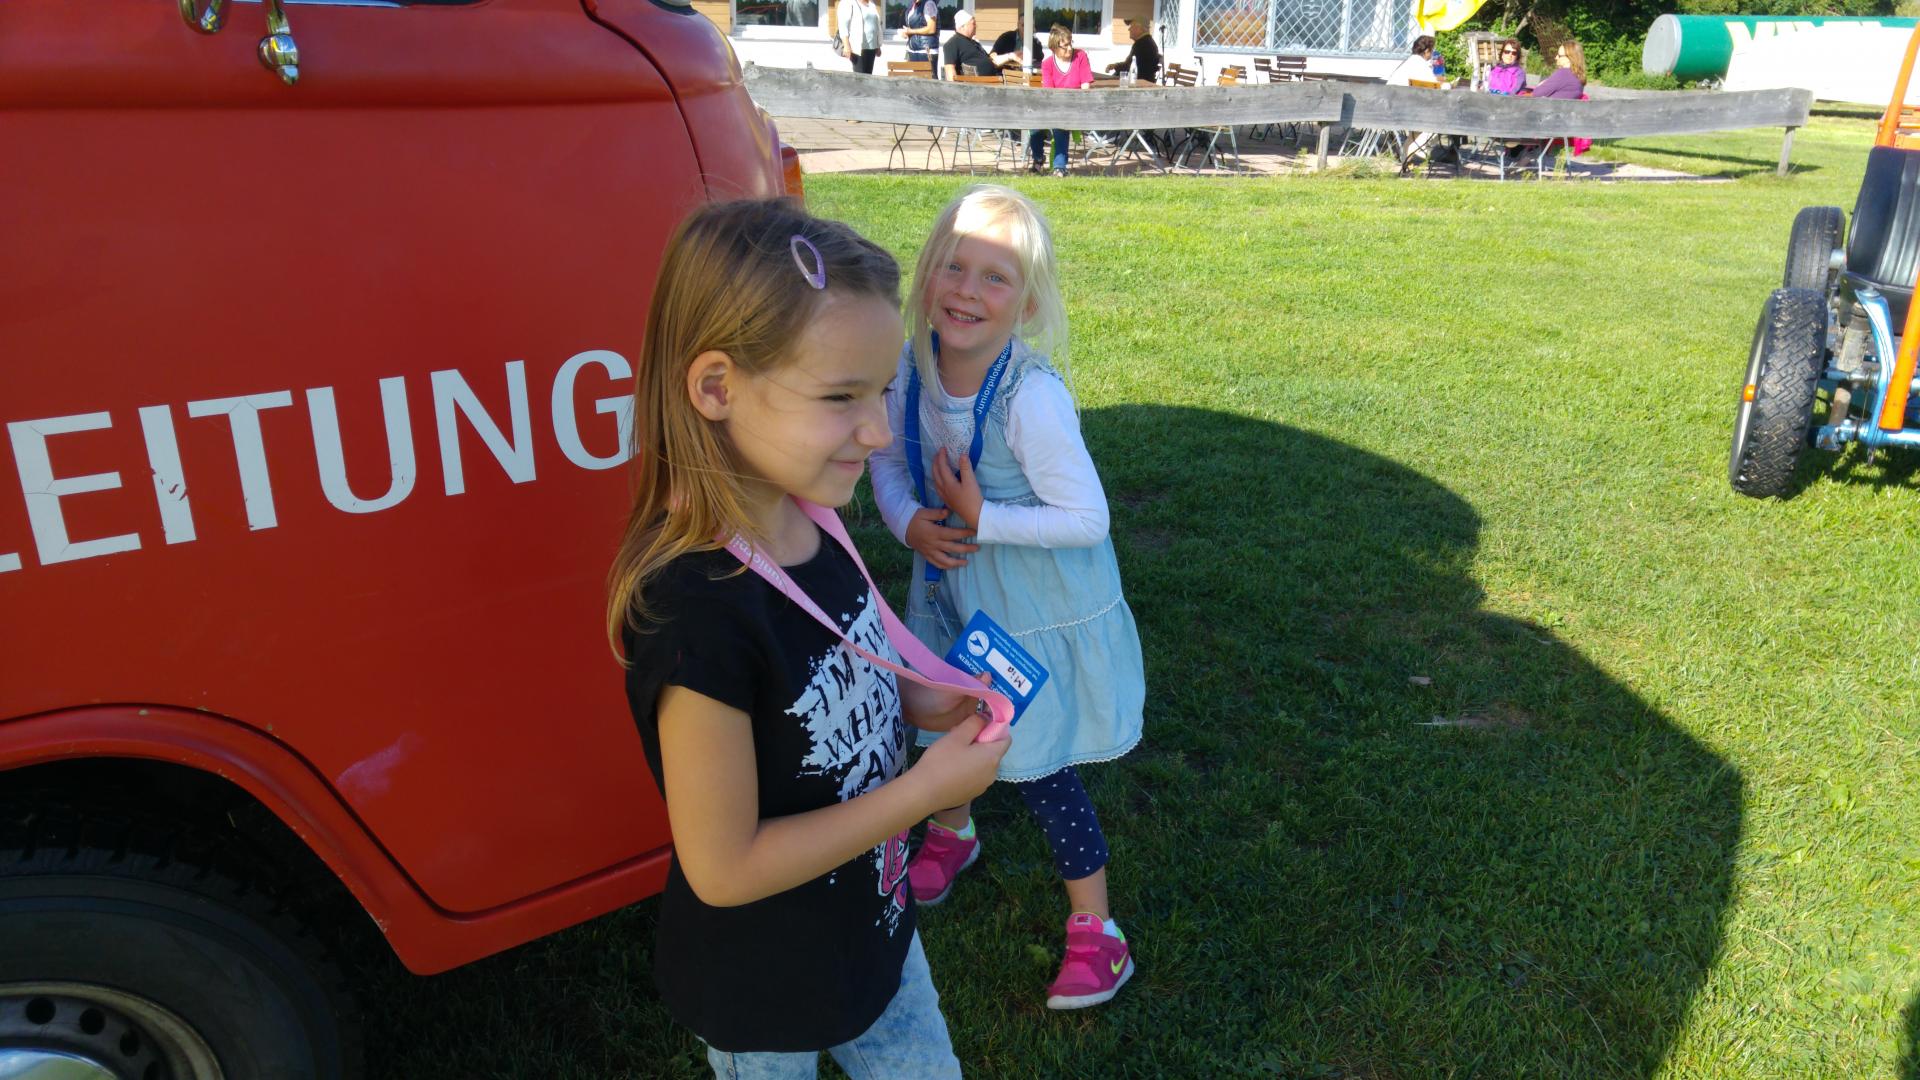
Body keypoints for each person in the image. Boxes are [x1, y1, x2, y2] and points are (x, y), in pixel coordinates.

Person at [608, 199, 1010, 1076]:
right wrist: (924, 793)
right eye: (840, 397)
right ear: (717, 389)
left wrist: (913, 697)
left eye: (882, 390)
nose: (879, 431)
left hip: (876, 934)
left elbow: (824, 666)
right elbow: (723, 867)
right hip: (762, 989)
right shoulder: (694, 616)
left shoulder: (811, 515)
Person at [870, 185, 1146, 1011]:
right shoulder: (906, 369)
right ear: (925, 276)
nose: (967, 290)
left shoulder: (1032, 399)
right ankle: (952, 830)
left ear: (1025, 304)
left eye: (996, 277)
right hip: (949, 587)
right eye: (953, 267)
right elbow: (883, 460)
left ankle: (1098, 931)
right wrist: (908, 524)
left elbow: (1086, 518)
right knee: (943, 718)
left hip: (1030, 607)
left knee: (1039, 761)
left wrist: (983, 517)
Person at [1031, 25, 1092, 176]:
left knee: (1060, 125)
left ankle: (1060, 167)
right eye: (1065, 46)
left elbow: (1085, 86)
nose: (1069, 48)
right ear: (1054, 48)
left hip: (1075, 106)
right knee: (1034, 126)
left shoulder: (1080, 56)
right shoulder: (1047, 64)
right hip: (1054, 105)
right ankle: (1038, 159)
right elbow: (1049, 92)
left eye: (1070, 43)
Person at [943, 10, 1017, 79]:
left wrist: (1011, 56)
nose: (976, 26)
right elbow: (950, 70)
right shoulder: (953, 43)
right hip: (976, 85)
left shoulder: (974, 43)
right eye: (973, 24)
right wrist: (953, 88)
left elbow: (991, 61)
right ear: (962, 26)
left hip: (992, 81)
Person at [1105, 19, 1160, 84]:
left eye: (1131, 26)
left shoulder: (1142, 44)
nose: (1129, 29)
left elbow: (1128, 67)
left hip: (1141, 84)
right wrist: (1115, 66)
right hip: (1142, 81)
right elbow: (1129, 64)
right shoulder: (1146, 41)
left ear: (1139, 28)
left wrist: (1115, 66)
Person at [838, 0, 882, 74]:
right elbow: (843, 26)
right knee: (860, 77)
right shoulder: (848, 2)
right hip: (857, 48)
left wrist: (878, 45)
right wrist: (846, 45)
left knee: (869, 76)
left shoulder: (871, 4)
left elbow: (875, 25)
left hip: (872, 48)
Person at [904, 0, 942, 76]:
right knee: (917, 80)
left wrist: (911, 31)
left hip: (926, 50)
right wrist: (907, 33)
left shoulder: (929, 4)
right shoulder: (912, 5)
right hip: (913, 49)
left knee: (930, 79)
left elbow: (931, 29)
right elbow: (915, 26)